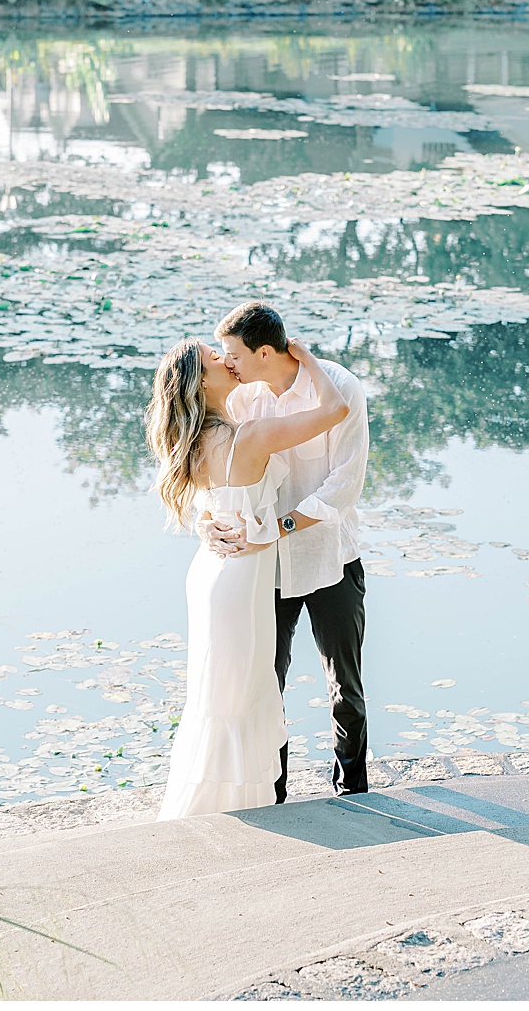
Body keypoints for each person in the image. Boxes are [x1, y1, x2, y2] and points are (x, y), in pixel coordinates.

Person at [145, 337, 349, 820]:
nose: (225, 358)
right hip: (238, 577)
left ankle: (230, 806)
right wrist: (305, 356)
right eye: (214, 357)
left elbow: (210, 499)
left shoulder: (194, 438)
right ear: (199, 379)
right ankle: (227, 811)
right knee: (235, 696)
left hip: (214, 570)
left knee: (221, 693)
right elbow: (336, 408)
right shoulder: (248, 435)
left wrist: (202, 520)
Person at [207, 302, 371, 802]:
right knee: (265, 684)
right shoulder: (241, 400)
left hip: (330, 558)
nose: (224, 361)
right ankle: (272, 792)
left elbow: (345, 485)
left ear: (262, 352)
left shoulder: (338, 387)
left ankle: (354, 791)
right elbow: (216, 472)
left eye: (231, 353)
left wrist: (276, 529)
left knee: (345, 686)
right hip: (263, 568)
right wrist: (207, 523)